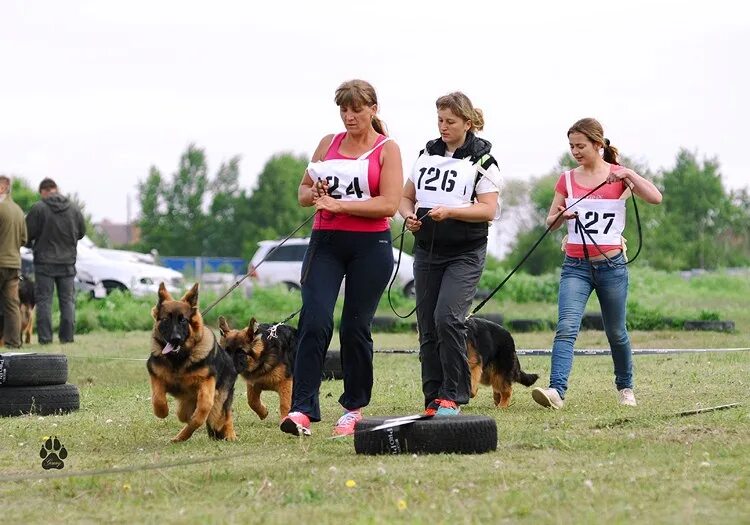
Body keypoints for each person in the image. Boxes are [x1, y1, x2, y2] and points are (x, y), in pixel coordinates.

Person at [280, 79, 403, 437]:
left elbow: (389, 204)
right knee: (315, 320)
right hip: (326, 242)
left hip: (370, 246)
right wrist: (315, 192)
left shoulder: (387, 149)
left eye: (356, 109)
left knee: (354, 327)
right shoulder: (327, 143)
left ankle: (353, 408)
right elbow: (303, 193)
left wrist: (341, 204)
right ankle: (302, 409)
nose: (349, 116)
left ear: (373, 110)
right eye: (344, 110)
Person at [531, 118, 662, 410]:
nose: (575, 151)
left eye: (581, 145)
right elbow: (549, 223)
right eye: (571, 146)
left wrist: (628, 173)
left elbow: (655, 197)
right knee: (566, 327)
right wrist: (560, 218)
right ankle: (557, 391)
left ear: (598, 145)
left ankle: (626, 387)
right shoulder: (566, 179)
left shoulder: (618, 177)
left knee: (616, 331)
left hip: (612, 266)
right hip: (575, 266)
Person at [398, 92, 502, 416]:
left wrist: (452, 212)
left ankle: (453, 395)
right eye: (440, 120)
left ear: (467, 124)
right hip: (427, 250)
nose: (443, 127)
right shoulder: (426, 154)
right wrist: (408, 217)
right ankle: (433, 398)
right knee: (427, 326)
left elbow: (488, 209)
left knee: (448, 319)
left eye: (450, 121)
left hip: (465, 253)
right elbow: (405, 197)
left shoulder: (484, 161)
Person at [25, 178, 86, 344]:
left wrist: (31, 244)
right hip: (67, 262)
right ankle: (67, 337)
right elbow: (81, 232)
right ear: (56, 189)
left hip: (44, 263)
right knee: (67, 300)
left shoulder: (39, 208)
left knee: (44, 300)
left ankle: (45, 338)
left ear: (43, 191)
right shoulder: (74, 208)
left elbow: (26, 234)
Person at [0, 175, 28, 348]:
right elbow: (24, 239)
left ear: (2, 187)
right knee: (12, 305)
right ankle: (14, 342)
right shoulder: (18, 210)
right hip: (13, 264)